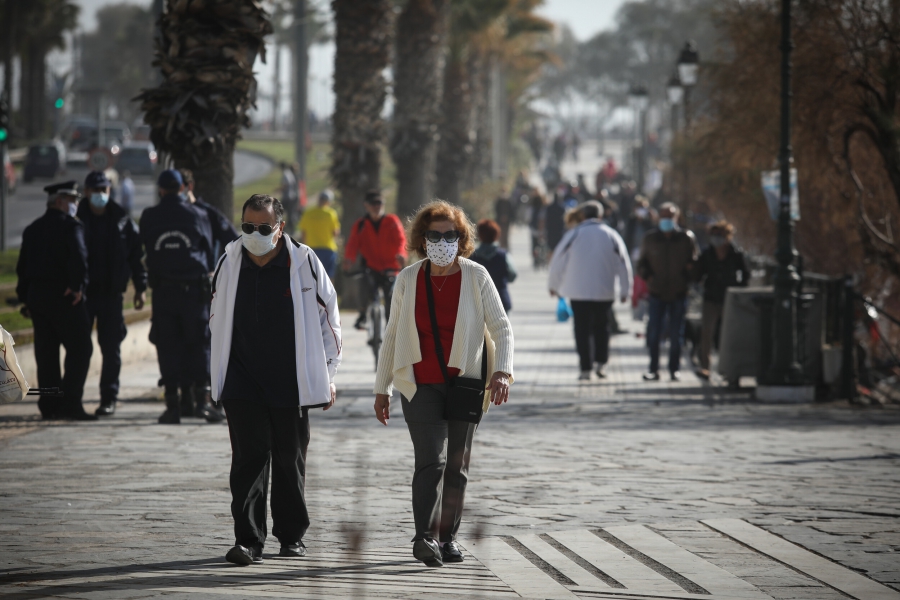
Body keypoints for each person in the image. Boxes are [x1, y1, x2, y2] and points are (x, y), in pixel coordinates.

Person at [373, 200, 513, 567]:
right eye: (434, 235)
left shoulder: (476, 275)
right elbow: (392, 336)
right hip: (419, 384)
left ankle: (448, 537)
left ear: (461, 238)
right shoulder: (408, 278)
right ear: (421, 238)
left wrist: (503, 371)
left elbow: (501, 327)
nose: (442, 241)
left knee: (456, 465)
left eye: (450, 234)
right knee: (429, 463)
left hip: (466, 383)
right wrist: (381, 387)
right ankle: (424, 537)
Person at [209, 194, 341, 566]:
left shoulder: (304, 262)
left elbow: (328, 318)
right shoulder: (230, 260)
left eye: (263, 228)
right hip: (242, 379)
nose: (254, 234)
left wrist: (328, 374)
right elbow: (215, 316)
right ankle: (248, 540)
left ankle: (291, 535)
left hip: (292, 380)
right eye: (247, 227)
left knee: (289, 458)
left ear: (280, 228)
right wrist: (215, 374)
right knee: (248, 460)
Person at [140, 169, 219, 424]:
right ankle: (202, 403)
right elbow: (208, 246)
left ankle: (173, 405)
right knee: (199, 345)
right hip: (193, 293)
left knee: (168, 347)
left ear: (161, 189)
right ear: (183, 188)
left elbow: (144, 248)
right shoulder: (197, 214)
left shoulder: (150, 215)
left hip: (163, 293)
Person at [16, 181, 95, 420]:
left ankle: (49, 406)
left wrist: (26, 298)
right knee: (81, 349)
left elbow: (22, 267)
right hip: (65, 298)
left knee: (46, 354)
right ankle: (71, 404)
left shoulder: (33, 228)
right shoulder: (71, 227)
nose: (76, 205)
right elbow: (79, 258)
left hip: (38, 298)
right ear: (60, 202)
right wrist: (78, 287)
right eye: (72, 201)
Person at [77, 171, 147, 416]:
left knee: (111, 348)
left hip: (111, 295)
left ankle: (109, 397)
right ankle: (74, 399)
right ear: (86, 192)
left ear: (110, 191)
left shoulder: (121, 220)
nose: (100, 195)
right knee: (79, 348)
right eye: (95, 190)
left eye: (104, 190)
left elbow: (135, 256)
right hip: (82, 296)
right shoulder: (76, 219)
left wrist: (141, 287)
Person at [548, 201, 632, 380]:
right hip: (605, 291)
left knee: (582, 329)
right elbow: (624, 263)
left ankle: (585, 368)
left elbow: (557, 261)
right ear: (601, 216)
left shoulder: (574, 234)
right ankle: (601, 363)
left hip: (579, 293)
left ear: (583, 215)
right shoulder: (611, 235)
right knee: (602, 327)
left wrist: (554, 285)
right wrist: (626, 290)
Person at [636, 202, 698, 381]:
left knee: (676, 334)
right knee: (654, 333)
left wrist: (688, 275)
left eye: (670, 216)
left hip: (679, 293)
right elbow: (641, 264)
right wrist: (648, 277)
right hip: (656, 293)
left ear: (677, 218)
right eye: (663, 216)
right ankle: (653, 369)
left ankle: (674, 370)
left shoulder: (686, 238)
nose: (666, 220)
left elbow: (695, 262)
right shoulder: (650, 238)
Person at [343, 190, 407, 329]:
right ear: (366, 205)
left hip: (391, 266)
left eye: (379, 203)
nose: (377, 206)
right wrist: (349, 259)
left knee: (391, 297)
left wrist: (401, 254)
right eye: (373, 203)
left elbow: (401, 240)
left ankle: (392, 327)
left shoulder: (392, 221)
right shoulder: (360, 225)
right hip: (371, 266)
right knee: (364, 287)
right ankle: (362, 316)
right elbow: (353, 244)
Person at [695, 221, 750, 379]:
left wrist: (738, 289)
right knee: (706, 333)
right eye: (714, 235)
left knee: (730, 333)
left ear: (727, 237)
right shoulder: (707, 254)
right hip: (710, 298)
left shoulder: (736, 254)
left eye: (720, 235)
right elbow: (699, 274)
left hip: (729, 299)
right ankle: (705, 367)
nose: (716, 239)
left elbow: (746, 274)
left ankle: (731, 368)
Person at [179, 168, 240, 262]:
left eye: (179, 188)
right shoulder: (167, 215)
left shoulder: (209, 214)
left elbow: (234, 242)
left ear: (190, 186)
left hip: (204, 273)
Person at [470, 219, 517, 312]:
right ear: (496, 235)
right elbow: (513, 275)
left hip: (478, 303)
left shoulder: (472, 257)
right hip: (501, 300)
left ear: (479, 235)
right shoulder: (503, 255)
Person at [298, 189, 341, 278]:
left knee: (312, 277)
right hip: (328, 249)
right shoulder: (331, 213)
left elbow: (303, 233)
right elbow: (335, 232)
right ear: (329, 201)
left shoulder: (308, 213)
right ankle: (329, 292)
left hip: (312, 249)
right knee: (329, 277)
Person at [279, 162, 300, 234]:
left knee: (280, 213)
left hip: (288, 198)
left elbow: (286, 185)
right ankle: (289, 229)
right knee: (289, 214)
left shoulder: (286, 173)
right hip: (292, 197)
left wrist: (279, 189)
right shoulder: (290, 174)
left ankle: (289, 229)